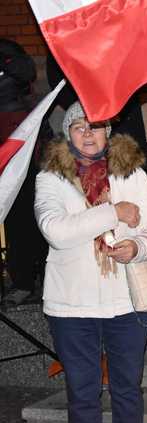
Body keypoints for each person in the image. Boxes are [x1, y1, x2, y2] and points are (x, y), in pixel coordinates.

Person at [34, 101, 147, 423]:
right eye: (78, 127)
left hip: (127, 302)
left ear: (107, 132)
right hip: (72, 306)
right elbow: (56, 232)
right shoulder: (50, 178)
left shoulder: (131, 174)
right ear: (68, 134)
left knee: (127, 390)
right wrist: (114, 212)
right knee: (82, 394)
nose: (87, 133)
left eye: (94, 126)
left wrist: (137, 246)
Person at [0, 39, 49, 306]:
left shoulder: (8, 51)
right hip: (11, 136)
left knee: (33, 210)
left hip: (20, 135)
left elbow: (25, 70)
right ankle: (22, 280)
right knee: (13, 215)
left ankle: (35, 278)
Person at [46, 52, 147, 150]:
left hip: (124, 114)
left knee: (128, 157)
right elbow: (58, 79)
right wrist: (85, 109)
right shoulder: (66, 42)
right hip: (88, 112)